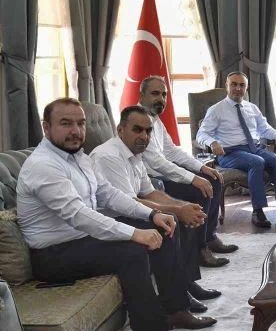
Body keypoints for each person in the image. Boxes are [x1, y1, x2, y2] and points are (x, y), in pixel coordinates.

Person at [17, 98, 214, 331]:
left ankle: (175, 309)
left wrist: (153, 215)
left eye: (80, 124)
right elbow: (78, 215)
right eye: (65, 124)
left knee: (162, 228)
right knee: (132, 252)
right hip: (53, 254)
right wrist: (134, 234)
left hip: (80, 240)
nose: (76, 131)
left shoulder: (78, 157)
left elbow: (108, 194)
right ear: (46, 127)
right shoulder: (44, 165)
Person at [91, 106, 222, 314]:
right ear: (120, 130)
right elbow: (129, 203)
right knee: (169, 224)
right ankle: (177, 307)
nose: (144, 136)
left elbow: (150, 193)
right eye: (137, 129)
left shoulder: (135, 154)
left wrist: (182, 207)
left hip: (131, 211)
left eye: (148, 131)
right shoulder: (108, 156)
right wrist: (177, 211)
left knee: (179, 217)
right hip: (113, 220)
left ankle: (187, 284)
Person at [138, 75, 237, 269]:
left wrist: (201, 168)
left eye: (164, 94)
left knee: (212, 179)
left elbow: (172, 151)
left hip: (163, 173)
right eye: (155, 93)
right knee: (200, 189)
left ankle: (209, 237)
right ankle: (199, 250)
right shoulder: (139, 121)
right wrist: (193, 179)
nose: (161, 99)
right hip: (151, 182)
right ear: (141, 96)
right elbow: (157, 162)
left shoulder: (155, 119)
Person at [197, 71, 276, 228]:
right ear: (227, 85)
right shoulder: (216, 110)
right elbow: (201, 134)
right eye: (234, 84)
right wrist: (212, 142)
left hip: (254, 148)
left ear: (246, 88)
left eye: (242, 85)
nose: (238, 88)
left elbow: (264, 128)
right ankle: (258, 212)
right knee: (257, 162)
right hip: (229, 152)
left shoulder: (252, 108)